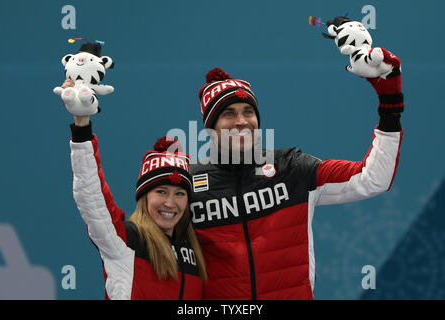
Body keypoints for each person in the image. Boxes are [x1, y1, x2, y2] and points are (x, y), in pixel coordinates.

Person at [189, 43, 404, 298]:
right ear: (210, 126)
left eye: (249, 111)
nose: (241, 121)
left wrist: (389, 105)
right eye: (228, 113)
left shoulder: (291, 168)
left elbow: (372, 179)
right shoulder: (188, 184)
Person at [64, 78, 207, 299]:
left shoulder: (195, 254)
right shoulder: (125, 241)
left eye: (179, 193)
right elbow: (91, 196)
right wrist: (82, 126)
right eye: (161, 192)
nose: (170, 203)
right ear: (144, 196)